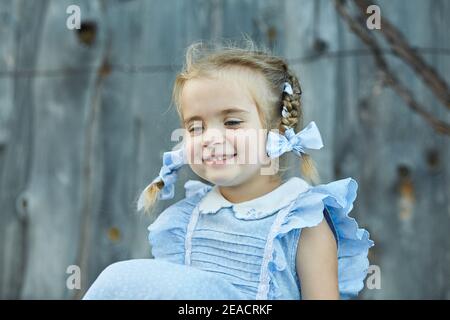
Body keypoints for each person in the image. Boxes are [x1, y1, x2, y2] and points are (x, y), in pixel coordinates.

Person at [83, 39, 374, 300]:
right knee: (120, 279)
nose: (210, 138)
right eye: (195, 127)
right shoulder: (187, 221)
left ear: (278, 131)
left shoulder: (301, 222)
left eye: (232, 122)